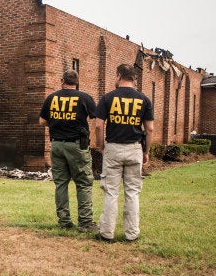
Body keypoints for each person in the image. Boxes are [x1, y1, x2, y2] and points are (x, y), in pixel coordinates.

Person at [94, 64, 154, 243]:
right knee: (132, 192)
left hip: (113, 147)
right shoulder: (144, 99)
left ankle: (106, 233)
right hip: (134, 148)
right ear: (134, 78)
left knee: (111, 192)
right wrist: (146, 151)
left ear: (119, 76)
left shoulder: (108, 98)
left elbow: (98, 125)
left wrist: (101, 146)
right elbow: (149, 129)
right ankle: (132, 234)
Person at [39, 70, 98, 233]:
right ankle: (85, 223)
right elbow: (96, 117)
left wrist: (57, 123)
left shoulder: (52, 98)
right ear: (76, 82)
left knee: (61, 183)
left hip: (57, 145)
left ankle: (64, 221)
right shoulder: (84, 97)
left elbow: (42, 121)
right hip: (77, 145)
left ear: (62, 80)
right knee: (84, 183)